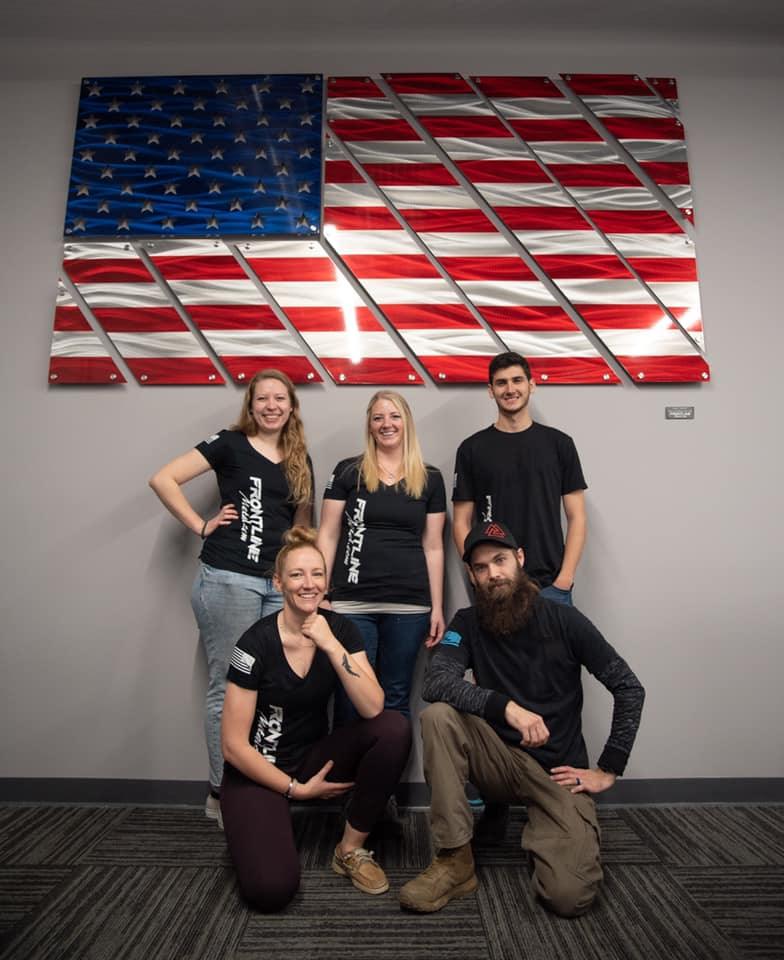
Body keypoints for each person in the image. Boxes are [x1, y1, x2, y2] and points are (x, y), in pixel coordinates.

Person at [399, 520, 644, 917]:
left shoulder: (565, 621)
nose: (493, 573)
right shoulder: (467, 622)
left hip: (557, 773)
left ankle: (542, 829)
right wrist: (505, 707)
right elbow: (437, 682)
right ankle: (455, 859)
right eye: (481, 567)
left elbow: (629, 688)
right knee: (438, 717)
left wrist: (608, 768)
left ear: (519, 559)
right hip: (498, 759)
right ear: (473, 576)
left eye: (500, 560)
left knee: (568, 897)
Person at [149, 369, 313, 823]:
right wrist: (200, 525)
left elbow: (302, 527)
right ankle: (221, 794)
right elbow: (163, 479)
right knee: (229, 686)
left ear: (292, 405)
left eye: (280, 399)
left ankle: (264, 785)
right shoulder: (229, 442)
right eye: (263, 399)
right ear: (251, 404)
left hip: (276, 586)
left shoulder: (299, 455)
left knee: (276, 686)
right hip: (227, 578)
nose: (272, 406)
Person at [220, 526, 411, 911]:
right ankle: (255, 822)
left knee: (393, 728)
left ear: (327, 580)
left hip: (311, 758)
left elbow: (373, 707)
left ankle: (349, 850)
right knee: (271, 891)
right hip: (257, 770)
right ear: (278, 582)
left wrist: (330, 644)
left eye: (317, 574)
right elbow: (233, 746)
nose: (309, 585)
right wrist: (294, 790)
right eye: (296, 575)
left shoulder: (339, 630)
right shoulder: (253, 644)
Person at [317, 390, 446, 721]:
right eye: (378, 418)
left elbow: (433, 545)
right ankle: (345, 775)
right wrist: (320, 593)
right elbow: (328, 535)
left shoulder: (430, 478)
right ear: (370, 426)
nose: (386, 424)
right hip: (351, 603)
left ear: (407, 423)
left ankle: (383, 775)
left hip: (409, 605)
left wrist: (437, 607)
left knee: (395, 695)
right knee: (350, 694)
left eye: (394, 416)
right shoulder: (348, 472)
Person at [452, 352, 587, 605]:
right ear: (491, 390)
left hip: (550, 585)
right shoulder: (471, 449)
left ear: (531, 385)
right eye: (501, 383)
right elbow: (461, 522)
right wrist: (475, 573)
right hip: (495, 584)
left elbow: (577, 516)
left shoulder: (559, 444)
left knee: (553, 647)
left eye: (517, 380)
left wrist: (565, 578)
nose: (510, 389)